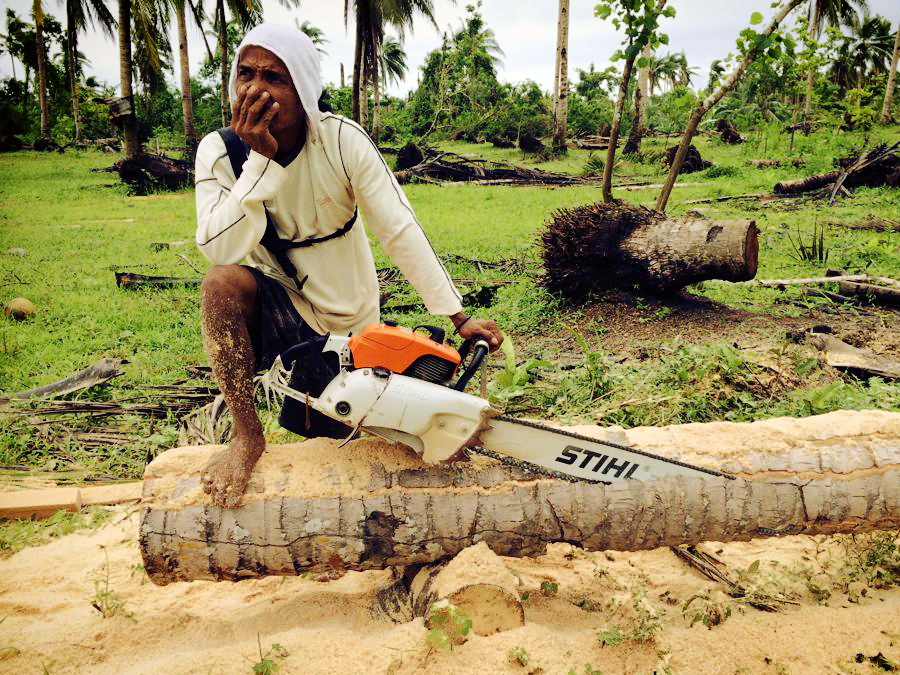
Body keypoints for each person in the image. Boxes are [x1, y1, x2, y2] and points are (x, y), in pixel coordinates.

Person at [193, 23, 503, 508]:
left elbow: (399, 229)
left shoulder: (341, 141)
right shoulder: (221, 152)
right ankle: (245, 434)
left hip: (349, 313)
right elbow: (220, 249)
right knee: (219, 286)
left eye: (274, 77)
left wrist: (458, 318)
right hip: (275, 302)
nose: (255, 89)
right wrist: (260, 163)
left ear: (303, 87)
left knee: (351, 438)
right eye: (245, 74)